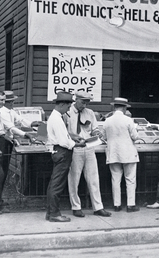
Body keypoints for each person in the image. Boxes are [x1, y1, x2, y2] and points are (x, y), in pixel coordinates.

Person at [66, 90, 111, 218]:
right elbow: (64, 131)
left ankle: (98, 207)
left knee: (93, 179)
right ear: (76, 99)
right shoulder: (68, 113)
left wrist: (97, 133)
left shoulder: (90, 113)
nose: (84, 105)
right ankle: (76, 206)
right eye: (82, 102)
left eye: (87, 103)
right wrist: (73, 137)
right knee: (74, 179)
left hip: (89, 148)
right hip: (75, 148)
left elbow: (94, 128)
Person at [46, 91, 85, 222]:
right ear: (62, 104)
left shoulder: (57, 117)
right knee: (57, 184)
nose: (69, 109)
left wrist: (72, 137)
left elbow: (64, 135)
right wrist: (78, 144)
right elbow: (63, 141)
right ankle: (54, 214)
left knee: (54, 183)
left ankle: (50, 212)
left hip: (59, 151)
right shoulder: (57, 119)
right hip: (62, 151)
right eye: (68, 106)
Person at [102, 97, 140, 212]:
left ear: (114, 107)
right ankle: (130, 204)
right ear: (124, 108)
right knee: (130, 179)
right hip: (128, 153)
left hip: (113, 153)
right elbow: (135, 137)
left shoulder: (107, 121)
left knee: (115, 179)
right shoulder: (128, 120)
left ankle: (117, 205)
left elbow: (104, 137)